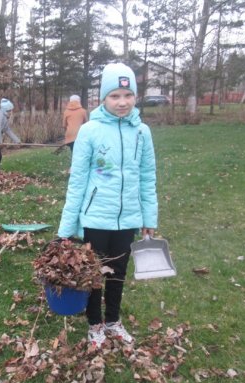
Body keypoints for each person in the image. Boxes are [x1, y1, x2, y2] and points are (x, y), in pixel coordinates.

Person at [57, 63, 158, 348]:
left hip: (128, 219)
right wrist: (65, 230)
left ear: (135, 96)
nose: (122, 102)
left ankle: (113, 321)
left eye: (127, 95)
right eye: (115, 96)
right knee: (94, 275)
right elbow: (77, 182)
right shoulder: (89, 131)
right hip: (96, 219)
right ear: (103, 97)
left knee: (118, 275)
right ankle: (94, 324)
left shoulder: (142, 132)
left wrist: (148, 217)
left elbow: (148, 177)